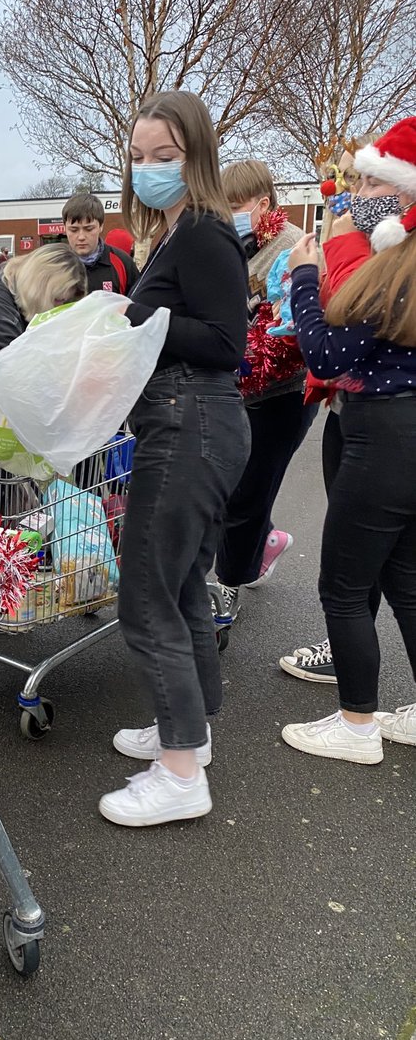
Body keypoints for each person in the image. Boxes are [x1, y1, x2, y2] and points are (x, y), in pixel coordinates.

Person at [99, 91, 250, 828]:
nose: (150, 168)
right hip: (189, 423)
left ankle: (182, 771)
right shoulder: (175, 231)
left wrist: (136, 317)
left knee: (148, 595)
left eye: (165, 156)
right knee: (182, 584)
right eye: (139, 157)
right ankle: (190, 730)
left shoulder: (201, 235)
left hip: (187, 424)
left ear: (196, 157)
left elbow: (226, 343)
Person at [281, 116, 416, 762]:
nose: (357, 192)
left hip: (383, 433)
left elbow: (329, 352)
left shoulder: (395, 269)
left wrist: (305, 278)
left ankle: (357, 724)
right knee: (407, 581)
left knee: (342, 586)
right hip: (404, 432)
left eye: (371, 180)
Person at [212, 161, 315, 620]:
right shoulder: (228, 243)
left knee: (248, 491)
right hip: (233, 386)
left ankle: (230, 583)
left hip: (279, 392)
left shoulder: (291, 247)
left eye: (235, 207)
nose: (227, 214)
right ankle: (265, 539)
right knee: (236, 486)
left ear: (264, 204)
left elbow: (288, 336)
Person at [0, 242, 87, 419]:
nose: (57, 312)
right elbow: (19, 387)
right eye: (58, 300)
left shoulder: (11, 295)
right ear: (40, 288)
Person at [62, 193, 139, 294]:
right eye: (73, 230)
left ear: (101, 226)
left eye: (89, 229)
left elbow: (139, 304)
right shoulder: (54, 265)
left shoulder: (123, 263)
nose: (81, 237)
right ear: (64, 228)